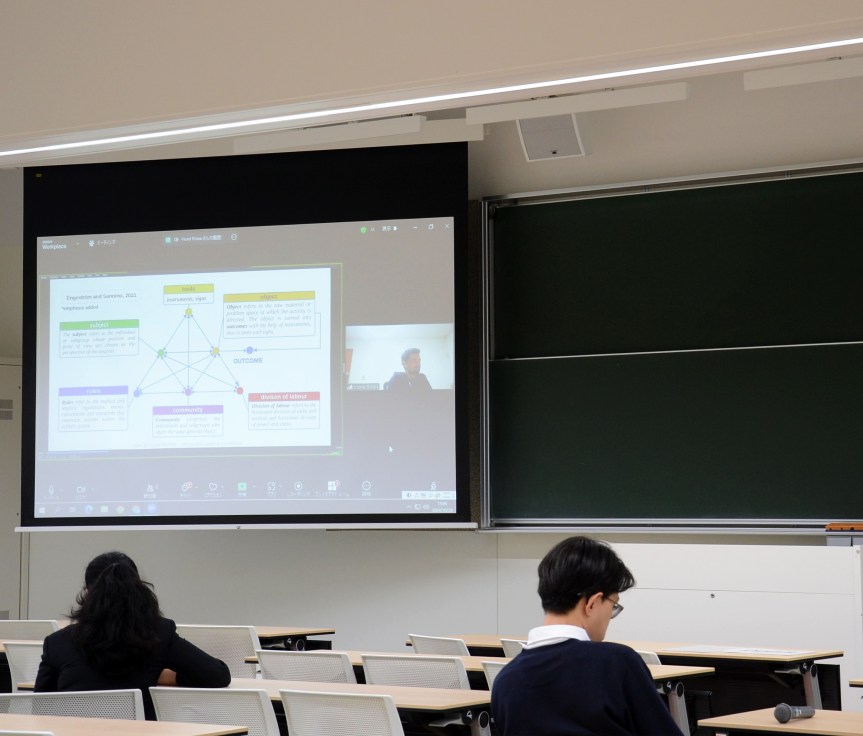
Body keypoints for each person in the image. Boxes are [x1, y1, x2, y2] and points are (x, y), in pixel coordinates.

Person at [491, 536, 683, 736]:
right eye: (613, 605)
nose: (610, 616)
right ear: (592, 603)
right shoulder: (616, 664)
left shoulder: (506, 681)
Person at [34, 551, 230, 720]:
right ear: (138, 590)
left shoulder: (57, 643)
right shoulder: (159, 634)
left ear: (87, 592)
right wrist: (173, 677)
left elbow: (40, 707)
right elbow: (218, 675)